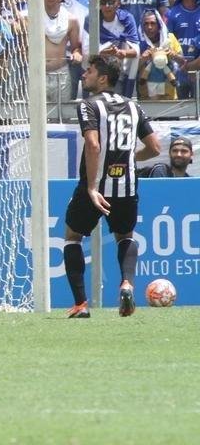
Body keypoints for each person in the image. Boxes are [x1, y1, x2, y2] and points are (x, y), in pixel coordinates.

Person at [62, 55, 160, 319]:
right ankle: (126, 283)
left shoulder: (89, 106)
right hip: (126, 186)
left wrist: (93, 187)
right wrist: (129, 158)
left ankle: (81, 305)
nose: (84, 75)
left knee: (72, 236)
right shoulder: (133, 106)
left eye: (89, 71)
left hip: (95, 186)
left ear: (102, 78)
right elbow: (154, 148)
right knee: (125, 236)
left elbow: (93, 145)